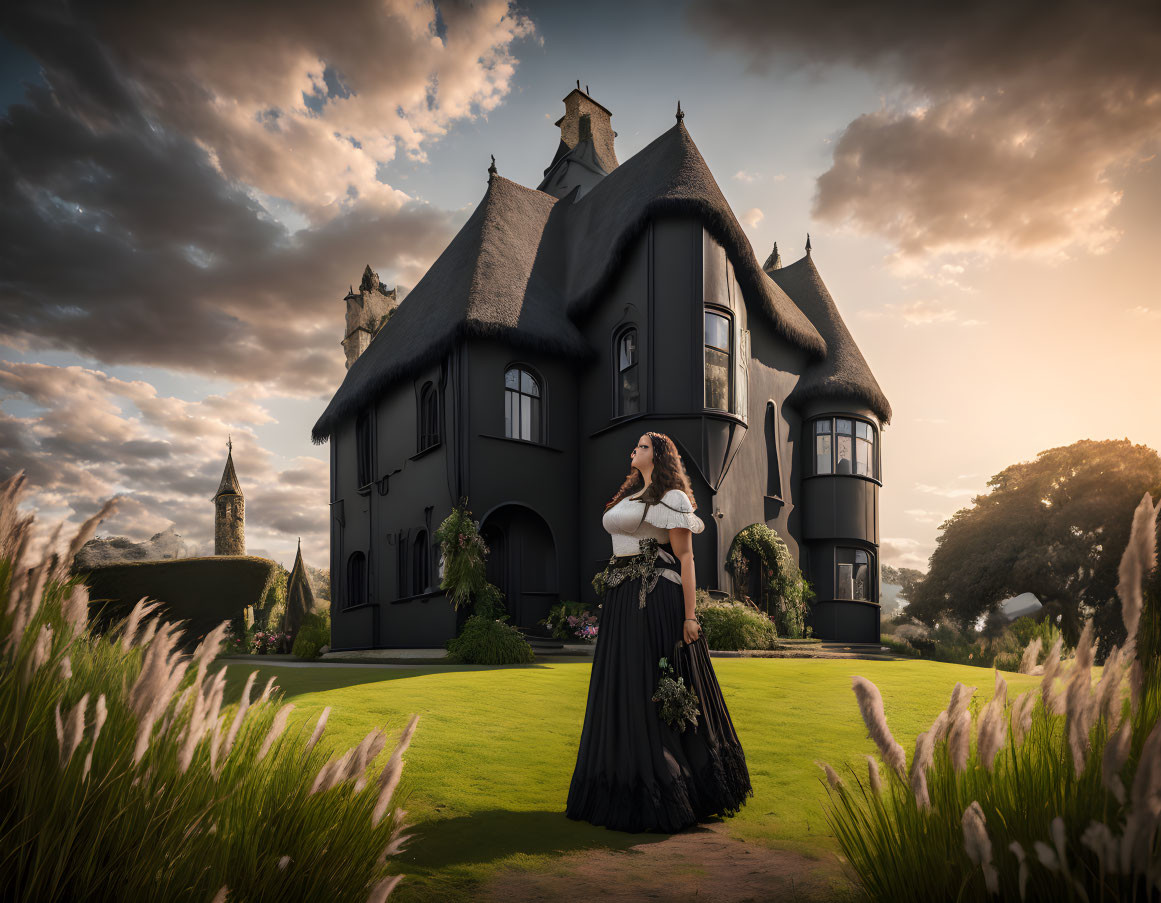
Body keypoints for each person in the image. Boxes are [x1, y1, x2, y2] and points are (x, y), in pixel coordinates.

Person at [565, 431, 753, 833]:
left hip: (654, 600)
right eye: (637, 446)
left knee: (653, 685)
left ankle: (675, 782)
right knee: (623, 688)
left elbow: (685, 557)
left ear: (661, 454)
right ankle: (619, 782)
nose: (636, 449)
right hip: (621, 602)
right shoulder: (630, 497)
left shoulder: (672, 498)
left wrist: (690, 616)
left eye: (644, 446)